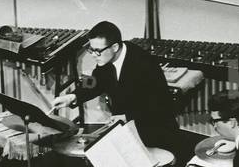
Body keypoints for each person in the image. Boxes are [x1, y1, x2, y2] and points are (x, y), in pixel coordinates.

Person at [52, 20, 181, 155]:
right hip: (126, 130)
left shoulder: (144, 64)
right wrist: (73, 97)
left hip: (154, 132)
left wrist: (127, 117)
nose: (94, 55)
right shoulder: (105, 60)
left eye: (97, 51)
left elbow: (160, 106)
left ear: (114, 47)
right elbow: (94, 82)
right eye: (91, 49)